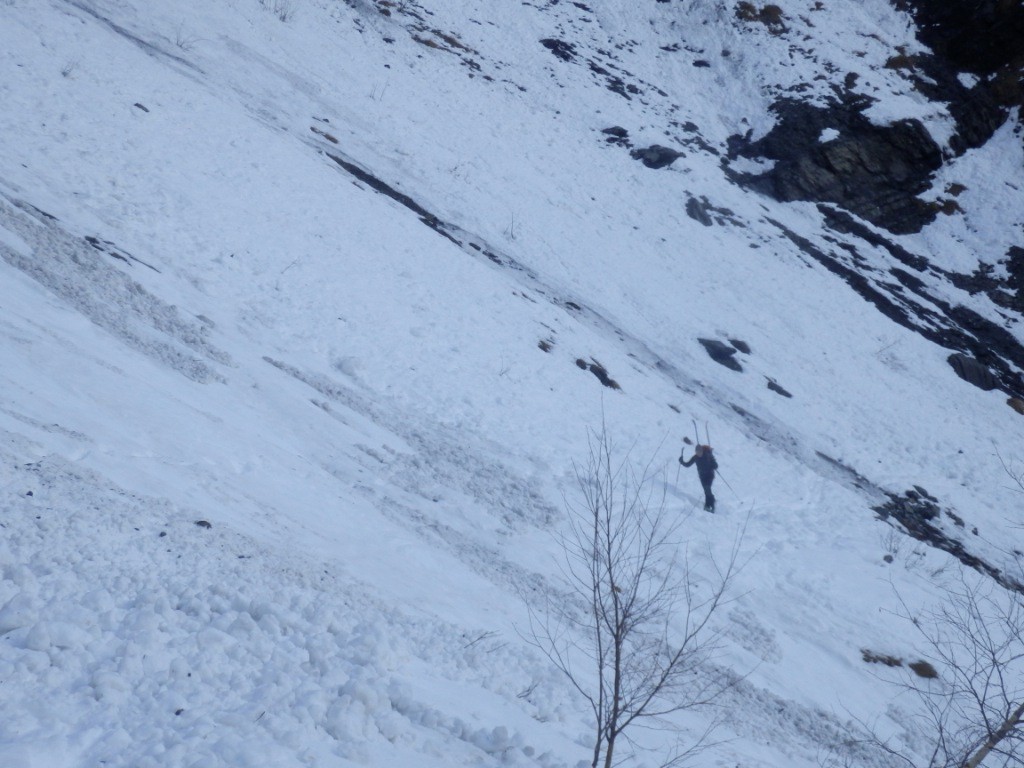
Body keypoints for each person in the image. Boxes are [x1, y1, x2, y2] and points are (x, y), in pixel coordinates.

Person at [680, 444, 717, 512]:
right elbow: (688, 464)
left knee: (707, 489)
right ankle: (709, 504)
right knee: (706, 491)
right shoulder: (695, 457)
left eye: (699, 452)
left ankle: (711, 505)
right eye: (697, 452)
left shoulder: (707, 455)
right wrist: (682, 461)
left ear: (702, 451)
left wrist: (713, 465)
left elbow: (715, 465)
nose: (698, 454)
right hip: (702, 476)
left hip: (709, 475)